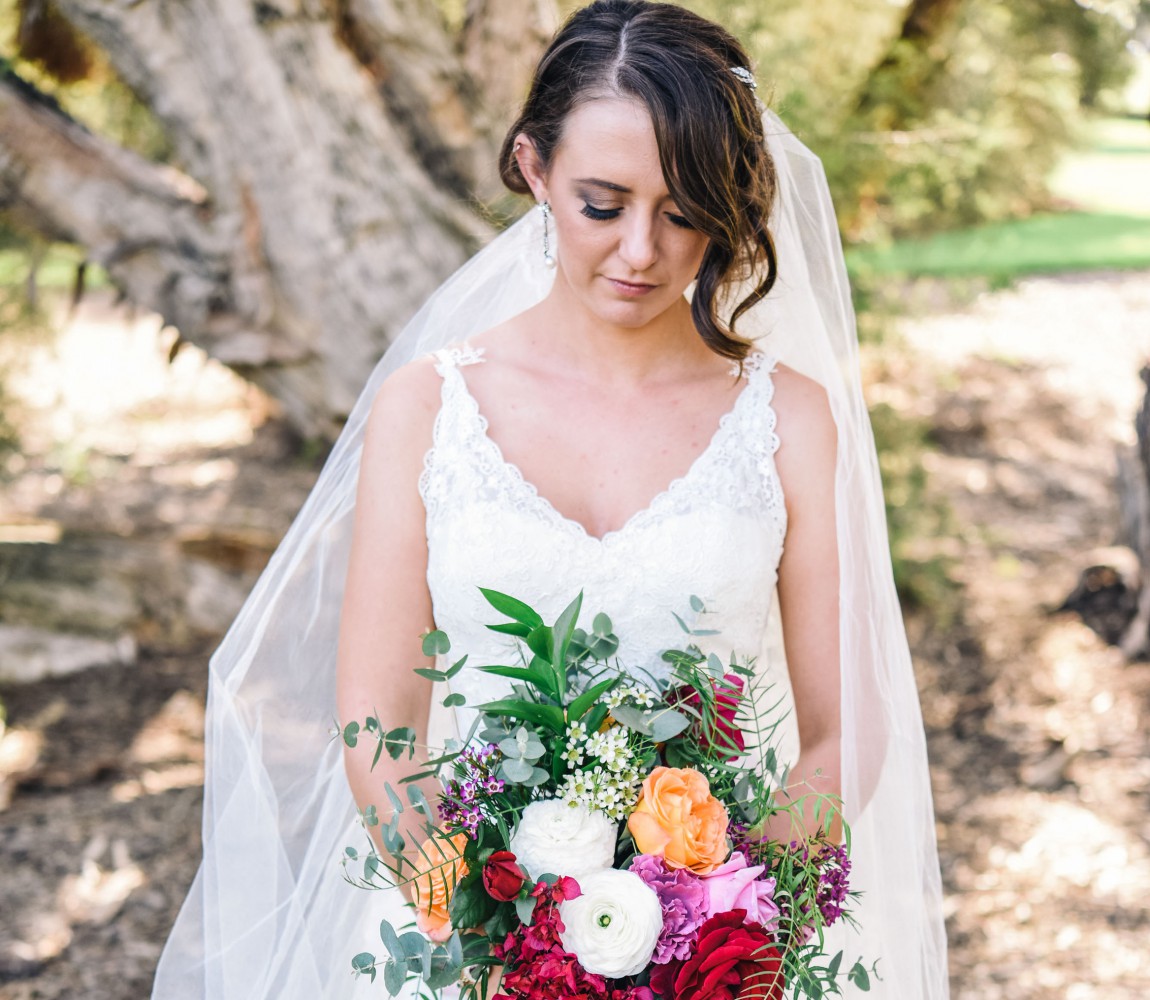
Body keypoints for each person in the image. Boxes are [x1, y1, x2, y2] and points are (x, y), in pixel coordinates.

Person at [152, 2, 949, 998]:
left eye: (685, 209)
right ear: (534, 170)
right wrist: (499, 942)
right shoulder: (430, 407)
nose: (642, 255)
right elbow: (377, 718)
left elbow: (848, 726)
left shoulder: (789, 417)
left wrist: (728, 926)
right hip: (464, 941)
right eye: (602, 204)